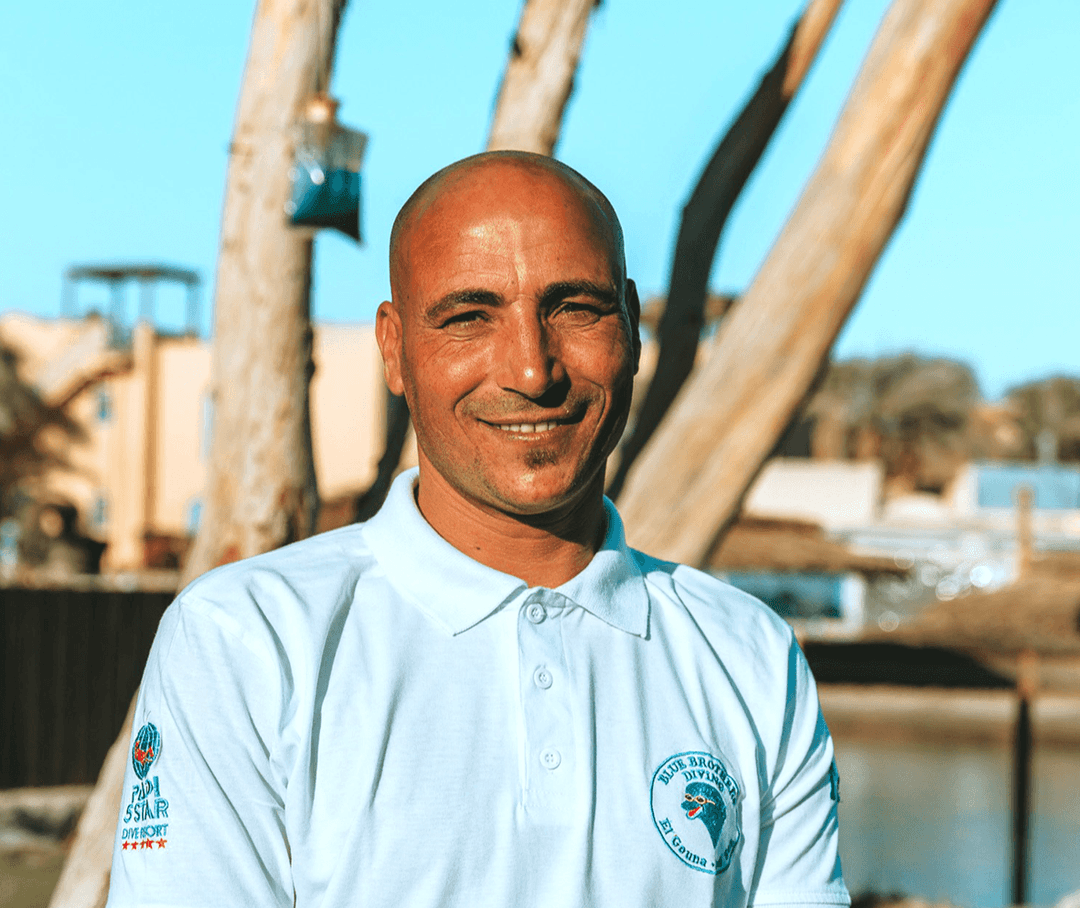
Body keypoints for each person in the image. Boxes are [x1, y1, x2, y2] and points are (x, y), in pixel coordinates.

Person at [106, 152, 849, 908]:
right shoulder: (248, 639)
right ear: (394, 350)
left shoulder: (747, 651)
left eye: (575, 309)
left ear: (629, 324)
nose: (532, 370)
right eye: (469, 317)